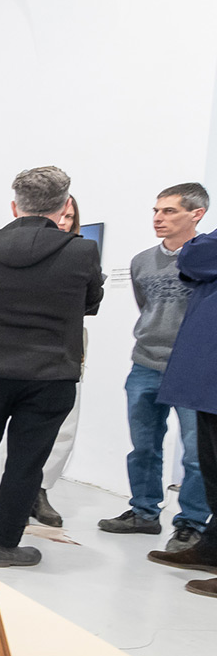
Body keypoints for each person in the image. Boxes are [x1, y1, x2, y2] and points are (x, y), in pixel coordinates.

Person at [0, 166, 104, 568]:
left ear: (14, 206)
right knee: (26, 460)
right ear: (64, 205)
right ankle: (3, 544)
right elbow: (91, 303)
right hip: (48, 373)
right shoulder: (82, 251)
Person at [99, 183, 210, 550]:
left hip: (192, 368)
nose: (158, 218)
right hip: (145, 363)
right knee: (143, 445)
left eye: (169, 211)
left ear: (196, 214)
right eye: (156, 211)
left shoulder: (207, 259)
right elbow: (145, 305)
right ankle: (144, 512)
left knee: (196, 454)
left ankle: (191, 523)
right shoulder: (142, 261)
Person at [150, 221, 217, 597]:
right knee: (211, 468)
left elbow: (194, 254)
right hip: (208, 377)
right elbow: (191, 261)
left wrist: (197, 251)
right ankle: (211, 549)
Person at [32, 195, 83, 526]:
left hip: (68, 343)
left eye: (70, 216)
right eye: (60, 215)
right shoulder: (24, 250)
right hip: (26, 344)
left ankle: (41, 490)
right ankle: (21, 489)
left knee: (64, 425)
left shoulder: (81, 252)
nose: (63, 221)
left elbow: (91, 299)